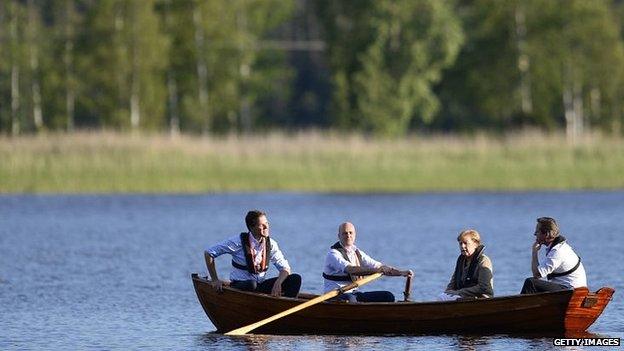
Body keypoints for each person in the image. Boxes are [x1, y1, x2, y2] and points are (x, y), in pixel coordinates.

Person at [204, 210, 301, 297]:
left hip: (260, 286)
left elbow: (285, 269)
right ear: (251, 227)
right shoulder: (237, 242)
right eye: (262, 225)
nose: (266, 227)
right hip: (241, 285)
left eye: (267, 223)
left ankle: (284, 308)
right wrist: (215, 280)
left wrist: (278, 282)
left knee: (295, 279)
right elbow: (209, 253)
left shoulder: (271, 244)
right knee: (252, 284)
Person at [322, 222, 413, 303]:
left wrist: (402, 273)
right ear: (339, 236)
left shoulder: (357, 253)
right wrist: (377, 270)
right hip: (334, 296)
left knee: (388, 296)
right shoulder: (333, 254)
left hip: (354, 293)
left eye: (350, 233)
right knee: (351, 300)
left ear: (355, 235)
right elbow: (351, 270)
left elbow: (381, 266)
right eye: (345, 233)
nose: (348, 235)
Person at [520, 217, 587, 294]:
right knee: (538, 285)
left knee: (530, 282)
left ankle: (517, 306)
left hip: (572, 292)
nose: (534, 234)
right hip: (571, 289)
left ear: (546, 234)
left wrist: (534, 252)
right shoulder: (560, 247)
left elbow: (537, 274)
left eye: (537, 231)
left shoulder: (557, 251)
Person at [438, 229, 494, 301]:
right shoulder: (461, 260)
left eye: (465, 243)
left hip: (481, 298)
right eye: (460, 243)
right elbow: (453, 282)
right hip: (464, 296)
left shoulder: (484, 260)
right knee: (442, 296)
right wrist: (447, 292)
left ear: (475, 244)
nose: (462, 246)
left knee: (443, 298)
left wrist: (458, 292)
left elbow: (484, 287)